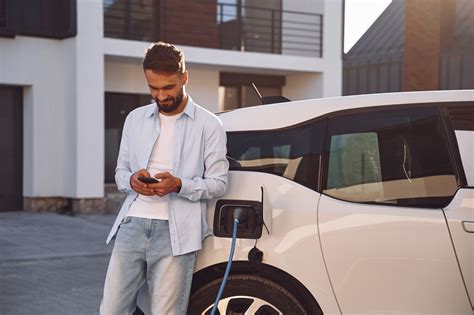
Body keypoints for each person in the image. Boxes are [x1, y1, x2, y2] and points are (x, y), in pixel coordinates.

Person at [100, 42, 229, 314]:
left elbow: (219, 182)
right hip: (132, 225)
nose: (160, 95)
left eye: (168, 87)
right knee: (111, 310)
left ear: (184, 77)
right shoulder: (135, 119)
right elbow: (121, 172)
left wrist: (179, 184)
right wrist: (132, 180)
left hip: (177, 233)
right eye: (153, 88)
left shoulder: (209, 124)